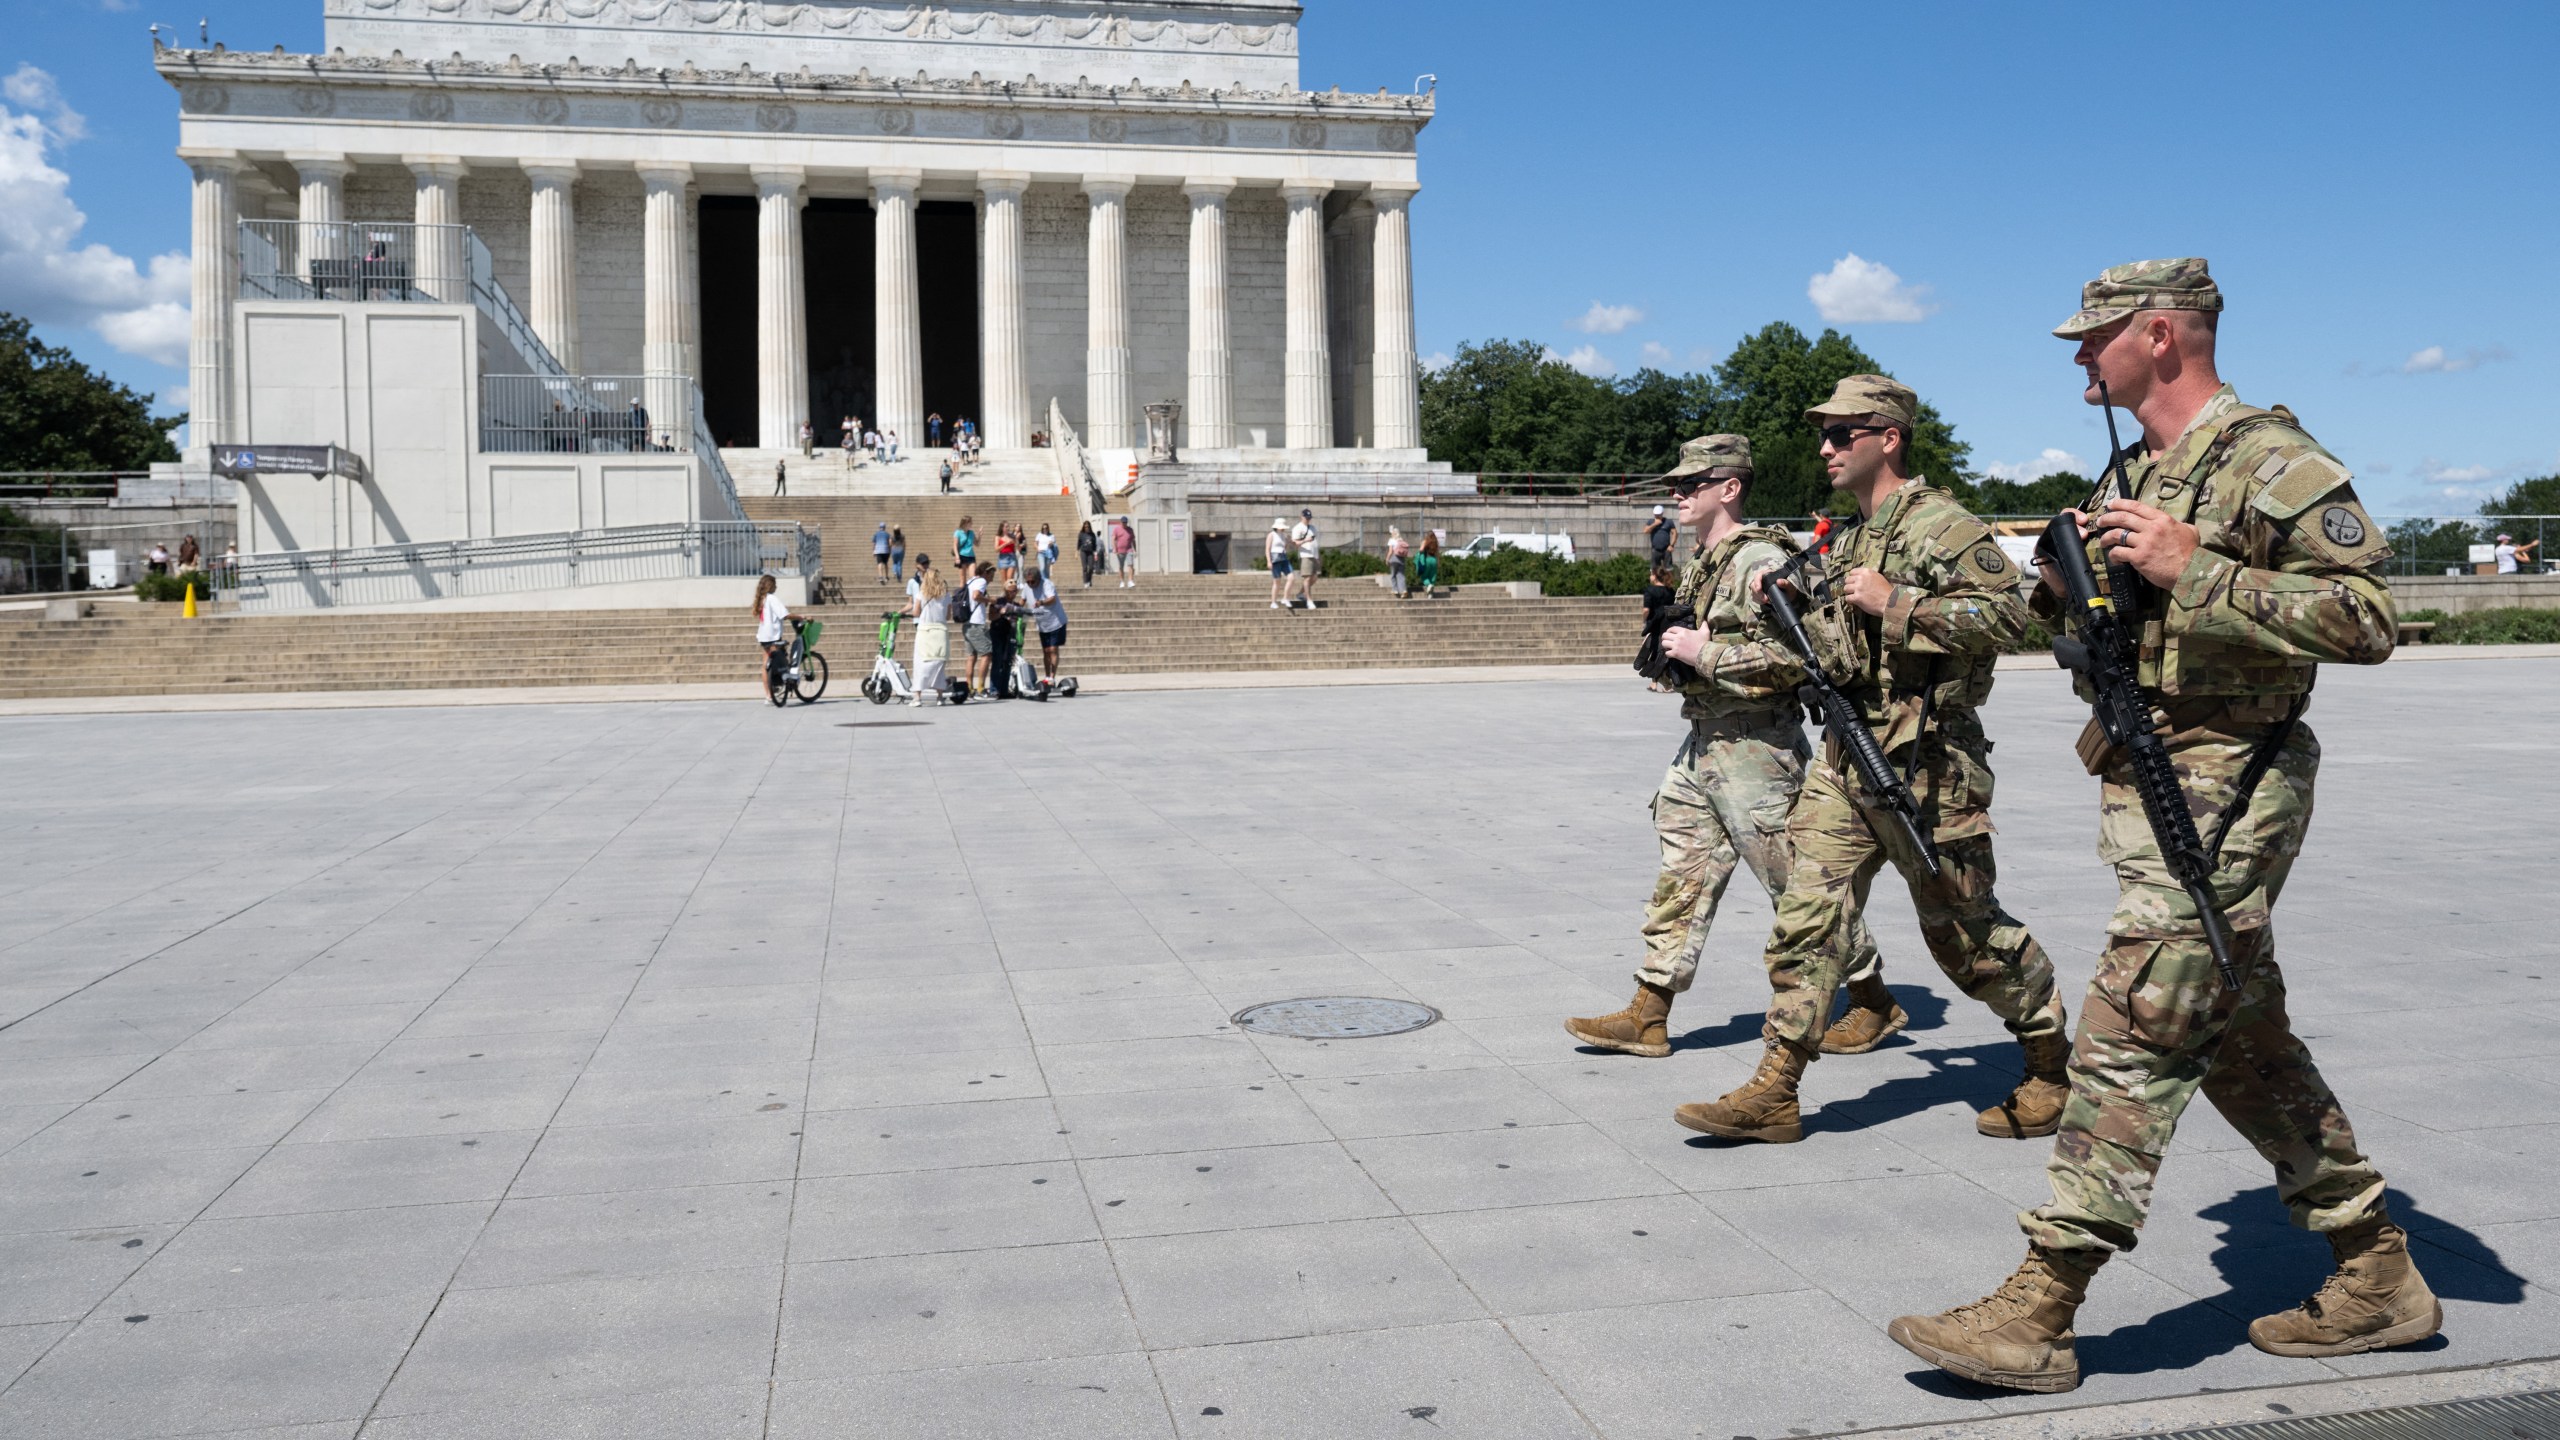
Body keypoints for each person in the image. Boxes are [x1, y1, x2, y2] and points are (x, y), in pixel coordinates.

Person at [1890, 259, 2429, 1394]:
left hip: (2235, 782)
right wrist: (1954, 599)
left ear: (2158, 335)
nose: (2080, 359)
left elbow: (2369, 617)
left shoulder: (2273, 461)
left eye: (2093, 340)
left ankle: (2040, 1303)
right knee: (2235, 1032)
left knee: (2137, 1016)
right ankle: (2375, 1271)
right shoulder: (2134, 468)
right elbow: (2012, 615)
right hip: (2149, 780)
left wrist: (2197, 570)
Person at [1673, 374, 2068, 1147]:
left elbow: (2012, 616)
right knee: (1806, 920)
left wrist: (1898, 603)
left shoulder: (1943, 526)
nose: (1824, 447)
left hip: (1930, 766)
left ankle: (2053, 1063)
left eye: (1841, 434)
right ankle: (1776, 1090)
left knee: (1965, 937)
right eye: (1823, 435)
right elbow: (1814, 649)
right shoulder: (1848, 538)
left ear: (1887, 438)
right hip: (1847, 759)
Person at [1567, 434, 1898, 1063]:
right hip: (1704, 743)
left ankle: (1874, 998)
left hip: (1758, 752)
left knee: (1797, 888)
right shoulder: (1704, 561)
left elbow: (1805, 659)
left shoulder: (1763, 561)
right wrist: (1671, 656)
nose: (1679, 495)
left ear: (1730, 488)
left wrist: (1706, 654)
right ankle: (1649, 1011)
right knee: (1681, 877)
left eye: (1692, 484)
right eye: (1678, 485)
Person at [905, 556, 949, 706]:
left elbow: (916, 612)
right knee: (938, 664)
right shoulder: (945, 595)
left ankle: (917, 697)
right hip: (940, 631)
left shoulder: (921, 594)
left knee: (921, 663)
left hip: (925, 631)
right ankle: (940, 697)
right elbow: (948, 615)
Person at [1026, 562, 1067, 683]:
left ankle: (1052, 678)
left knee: (1053, 649)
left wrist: (1042, 603)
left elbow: (1052, 598)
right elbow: (1022, 600)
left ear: (1038, 579)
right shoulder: (1027, 587)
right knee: (1046, 651)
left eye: (1032, 582)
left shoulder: (1046, 584)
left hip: (1055, 622)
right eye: (1028, 582)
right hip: (1042, 625)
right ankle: (1047, 675)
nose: (1030, 584)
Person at [751, 573, 791, 696]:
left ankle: (768, 695)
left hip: (764, 636)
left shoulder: (761, 598)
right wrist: (801, 617)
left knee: (765, 665)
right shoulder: (771, 598)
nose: (777, 587)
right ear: (771, 585)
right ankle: (778, 686)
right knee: (779, 661)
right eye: (775, 584)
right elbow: (784, 615)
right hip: (773, 636)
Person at [986, 569, 1023, 699]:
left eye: (1015, 590)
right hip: (997, 633)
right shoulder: (998, 601)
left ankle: (1004, 690)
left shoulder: (1016, 605)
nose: (1013, 593)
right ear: (1006, 590)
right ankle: (994, 690)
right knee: (997, 661)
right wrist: (1000, 613)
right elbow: (990, 617)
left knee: (1007, 662)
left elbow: (1017, 619)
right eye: (1011, 590)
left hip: (1010, 635)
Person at [962, 561, 995, 695]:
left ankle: (969, 688)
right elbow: (976, 596)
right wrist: (990, 600)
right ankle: (981, 688)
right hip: (976, 623)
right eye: (992, 573)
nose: (993, 577)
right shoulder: (981, 581)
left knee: (971, 656)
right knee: (987, 654)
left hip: (967, 623)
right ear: (986, 572)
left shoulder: (971, 581)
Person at [1288, 509, 1322, 608]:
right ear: (1301, 517)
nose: (1308, 520)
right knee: (1307, 578)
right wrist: (1305, 540)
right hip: (1305, 555)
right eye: (1306, 518)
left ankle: (1300, 593)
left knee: (1314, 577)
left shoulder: (1312, 528)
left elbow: (1315, 542)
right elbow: (1295, 544)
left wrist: (1318, 557)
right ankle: (1309, 600)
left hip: (1314, 555)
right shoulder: (1297, 528)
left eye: (1309, 518)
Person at [1265, 518, 1294, 609]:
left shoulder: (1284, 535)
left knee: (1291, 577)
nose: (1283, 529)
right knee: (1277, 581)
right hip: (1275, 558)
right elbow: (1267, 549)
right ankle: (1273, 601)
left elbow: (1285, 547)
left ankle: (1285, 598)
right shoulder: (1271, 535)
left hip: (1283, 557)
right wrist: (1269, 561)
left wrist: (1289, 541)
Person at [1645, 504, 1675, 569]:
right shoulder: (1651, 521)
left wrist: (1672, 545)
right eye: (1656, 515)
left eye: (1659, 515)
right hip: (1655, 549)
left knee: (1668, 569)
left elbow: (1675, 533)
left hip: (1666, 549)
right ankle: (1656, 577)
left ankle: (1668, 578)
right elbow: (1645, 531)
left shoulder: (1668, 522)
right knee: (1654, 569)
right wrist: (1654, 524)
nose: (1657, 516)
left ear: (1662, 513)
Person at [1111, 515, 1137, 587]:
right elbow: (1113, 539)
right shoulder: (1117, 529)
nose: (1124, 524)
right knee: (1121, 566)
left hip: (1129, 549)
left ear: (1127, 522)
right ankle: (1122, 581)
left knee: (1130, 564)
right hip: (1120, 551)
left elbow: (1133, 540)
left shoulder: (1130, 530)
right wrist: (1114, 548)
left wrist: (1135, 550)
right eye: (1123, 522)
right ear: (1121, 522)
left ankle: (1130, 581)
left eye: (1125, 522)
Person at [1076, 521, 1102, 588]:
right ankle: (1085, 582)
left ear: (1090, 527)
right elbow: (1078, 543)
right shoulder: (1081, 534)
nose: (1086, 528)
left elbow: (1094, 545)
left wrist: (1095, 552)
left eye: (1088, 527)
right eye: (1085, 527)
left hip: (1090, 552)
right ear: (1083, 527)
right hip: (1083, 552)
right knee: (1084, 568)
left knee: (1090, 568)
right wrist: (1076, 551)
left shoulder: (1092, 534)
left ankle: (1089, 580)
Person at [1387, 526, 1411, 598]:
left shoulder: (1391, 540)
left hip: (1394, 558)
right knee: (1401, 575)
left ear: (1393, 534)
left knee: (1393, 575)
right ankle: (1403, 590)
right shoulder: (1401, 540)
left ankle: (1395, 590)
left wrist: (1387, 559)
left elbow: (1390, 551)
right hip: (1402, 559)